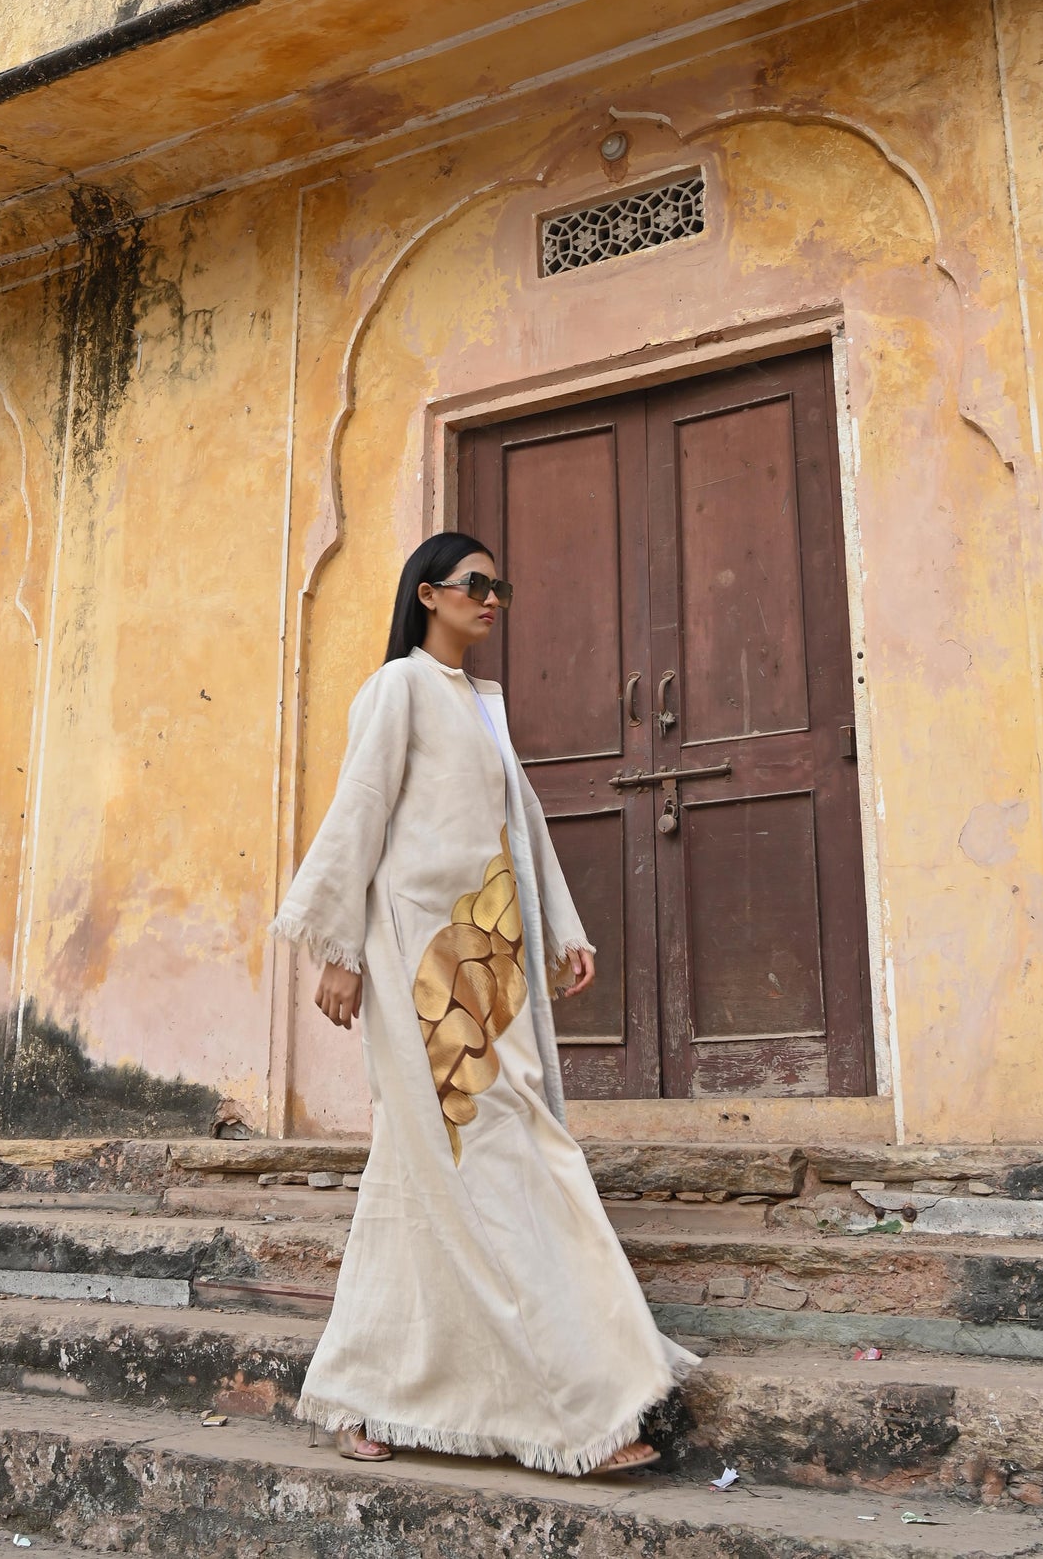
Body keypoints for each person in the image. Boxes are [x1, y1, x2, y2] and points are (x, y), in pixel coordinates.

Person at [270, 530, 696, 1476]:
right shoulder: (399, 688)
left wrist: (562, 929)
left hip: (486, 961)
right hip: (417, 961)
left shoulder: (480, 704)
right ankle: (584, 1411)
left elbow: (519, 823)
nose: (493, 597)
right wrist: (337, 950)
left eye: (499, 584)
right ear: (427, 594)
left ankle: (369, 1391)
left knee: (428, 1170)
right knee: (505, 1158)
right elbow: (359, 811)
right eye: (475, 584)